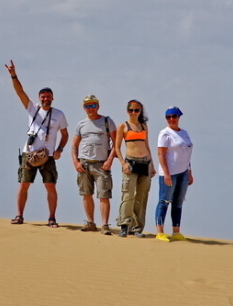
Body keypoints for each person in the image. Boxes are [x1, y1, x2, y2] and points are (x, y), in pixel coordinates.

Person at [5, 60, 69, 227]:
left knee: (50, 185)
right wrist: (13, 75)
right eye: (43, 97)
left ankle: (52, 218)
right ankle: (19, 216)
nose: (45, 99)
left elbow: (65, 134)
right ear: (39, 98)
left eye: (48, 96)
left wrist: (60, 149)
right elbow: (20, 92)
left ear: (53, 98)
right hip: (29, 153)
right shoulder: (33, 108)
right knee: (24, 184)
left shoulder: (59, 114)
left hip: (47, 155)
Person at [72, 95, 117, 235]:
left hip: (101, 164)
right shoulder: (81, 124)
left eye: (93, 105)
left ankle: (104, 225)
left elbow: (116, 144)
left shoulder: (107, 121)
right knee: (86, 194)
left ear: (98, 106)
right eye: (87, 106)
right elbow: (74, 145)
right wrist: (76, 162)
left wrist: (110, 160)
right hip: (84, 163)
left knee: (104, 194)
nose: (90, 108)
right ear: (84, 107)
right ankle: (90, 222)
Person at [114, 99, 156, 238]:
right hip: (130, 163)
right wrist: (123, 163)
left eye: (136, 110)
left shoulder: (144, 126)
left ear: (140, 111)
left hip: (145, 163)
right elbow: (117, 147)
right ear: (127, 111)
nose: (133, 112)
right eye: (131, 110)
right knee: (128, 195)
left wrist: (152, 165)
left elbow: (147, 145)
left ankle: (137, 227)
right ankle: (124, 225)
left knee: (142, 197)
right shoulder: (123, 126)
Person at [155, 106, 194, 242]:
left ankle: (176, 231)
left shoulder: (185, 133)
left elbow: (187, 152)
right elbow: (161, 154)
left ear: (178, 117)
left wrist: (189, 171)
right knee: (164, 201)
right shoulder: (165, 133)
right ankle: (160, 232)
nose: (171, 119)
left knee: (178, 203)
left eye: (174, 116)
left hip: (183, 172)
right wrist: (166, 173)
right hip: (169, 173)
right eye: (168, 117)